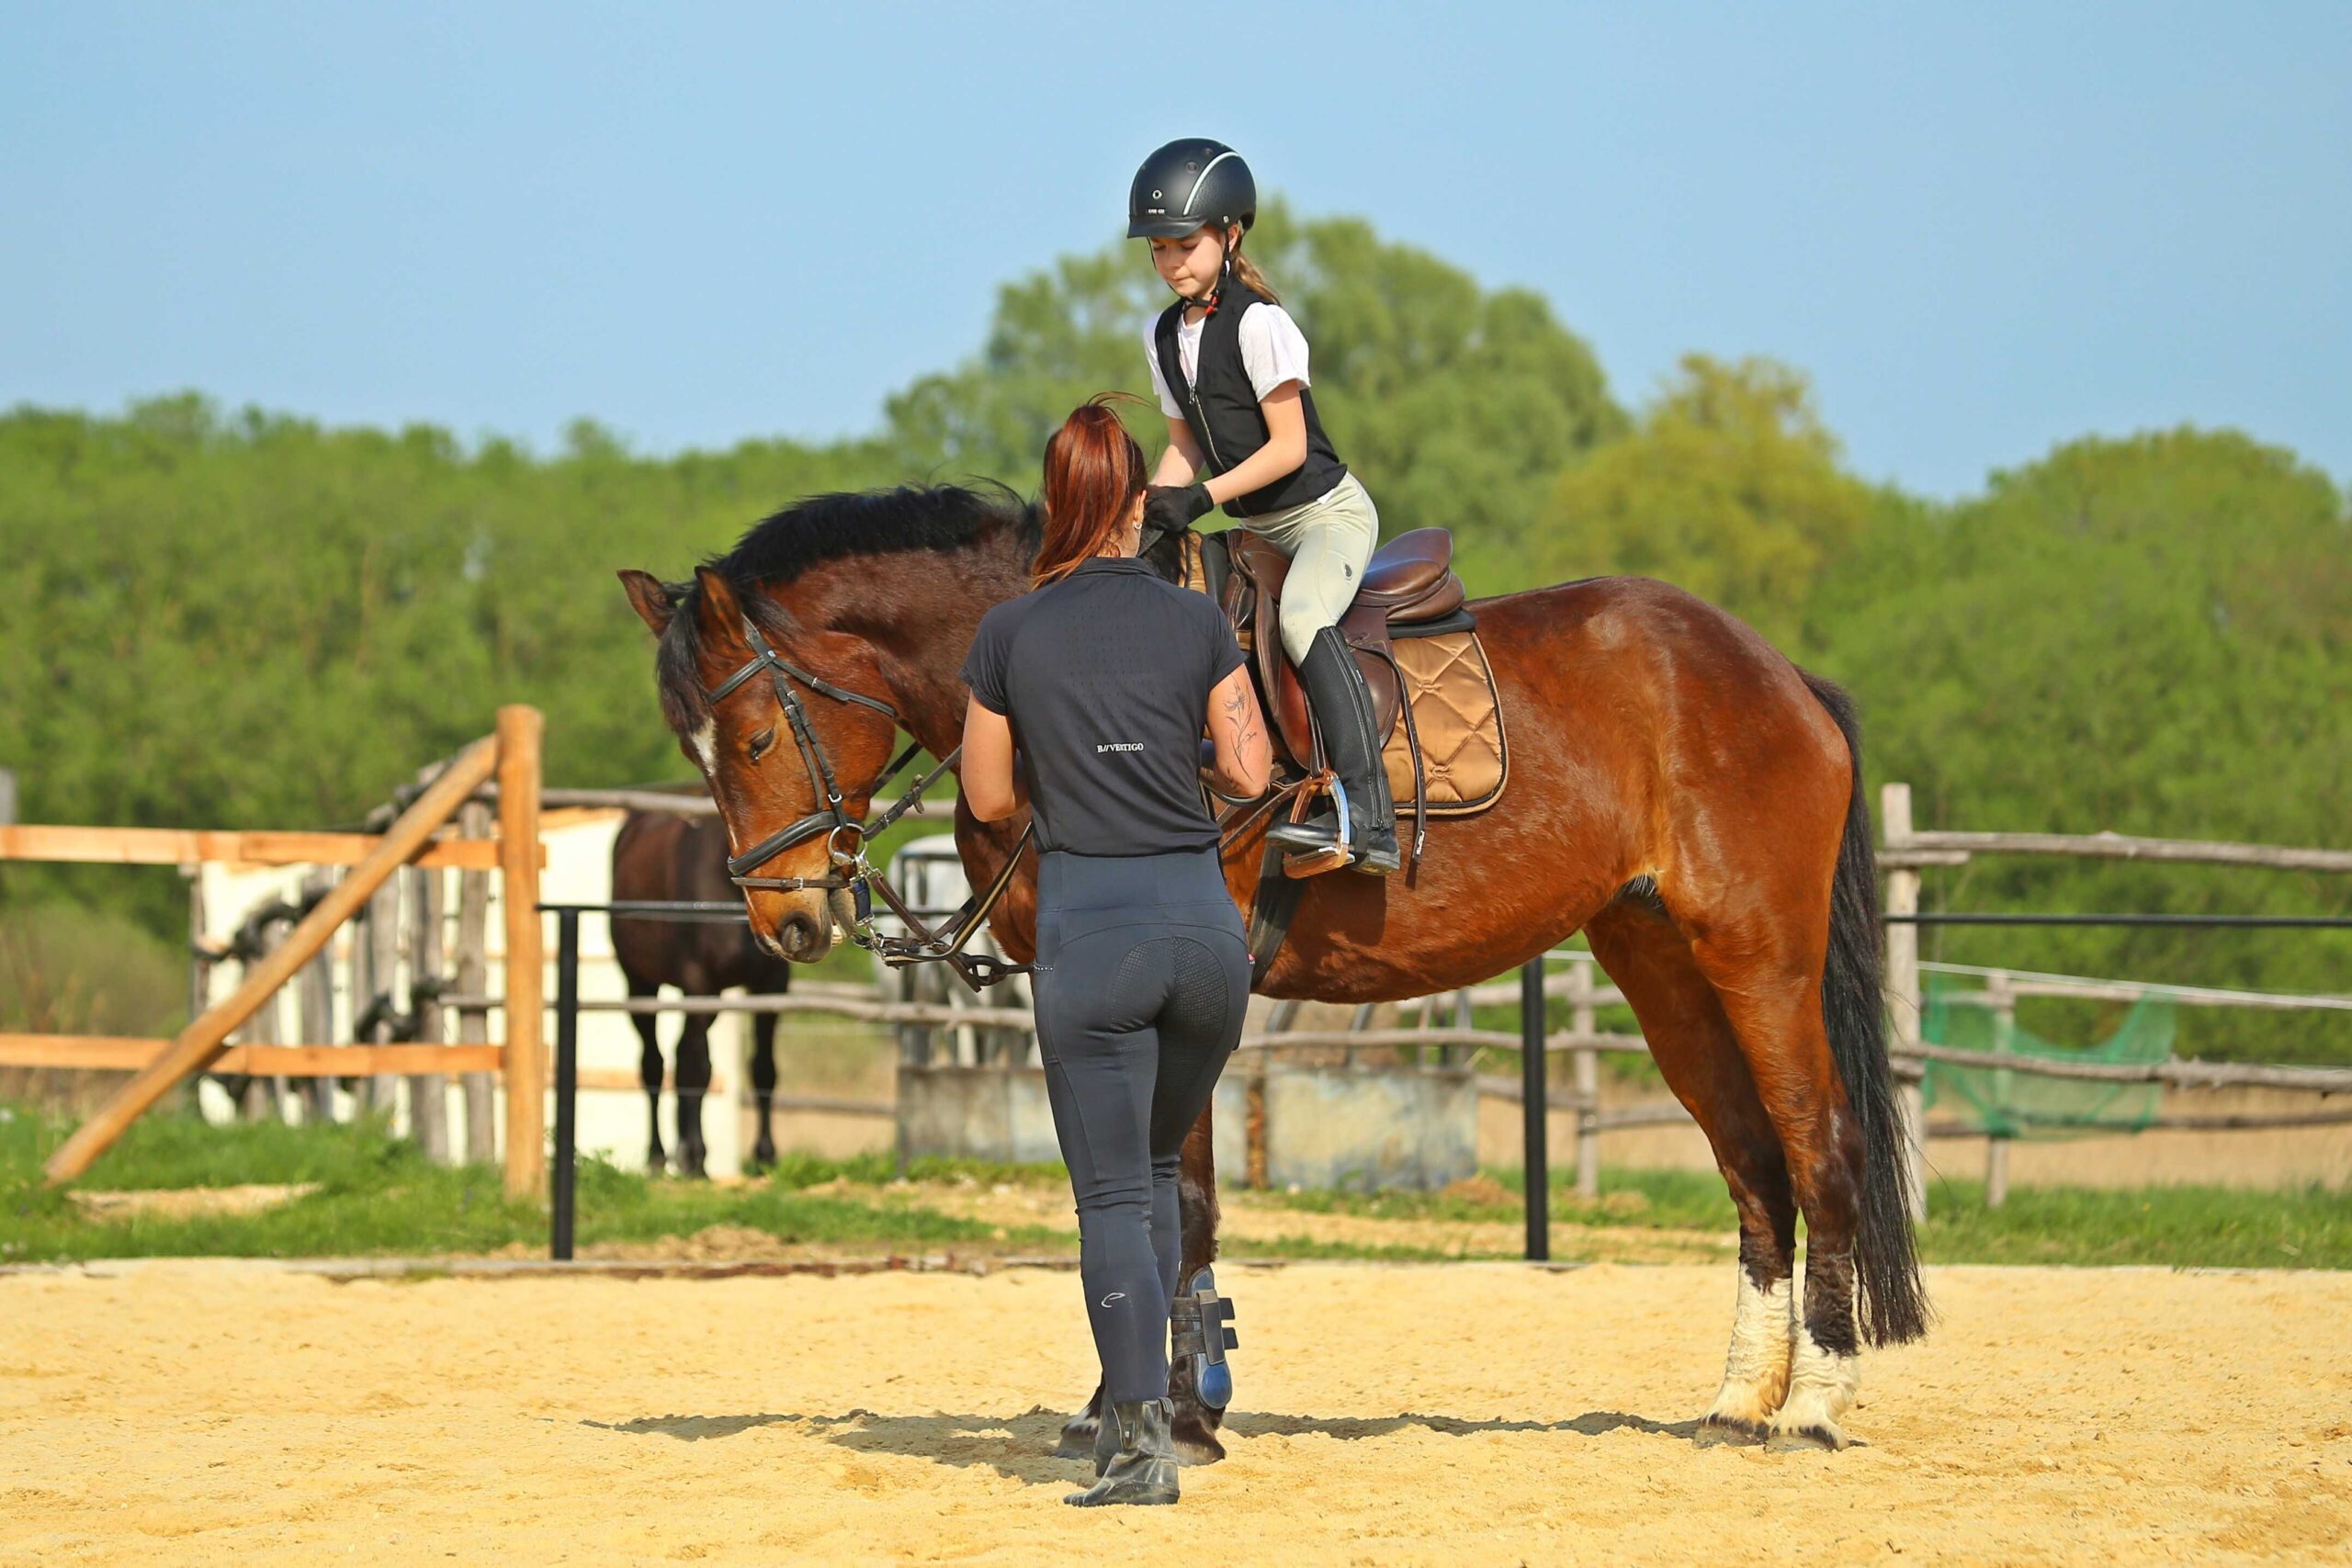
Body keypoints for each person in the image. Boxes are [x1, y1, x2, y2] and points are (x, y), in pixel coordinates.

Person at [959, 398, 1272, 1507]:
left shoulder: (1008, 635)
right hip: (1206, 946)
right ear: (1138, 503)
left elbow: (988, 796)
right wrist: (1168, 743)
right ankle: (1169, 1398)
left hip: (1095, 942)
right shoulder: (1196, 623)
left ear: (1057, 508)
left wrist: (1065, 753)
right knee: (1151, 1168)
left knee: (1109, 1200)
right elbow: (1248, 770)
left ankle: (1140, 1443)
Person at [1129, 136, 1399, 874]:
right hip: (1256, 527)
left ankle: (1368, 815)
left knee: (1304, 618)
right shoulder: (1162, 335)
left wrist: (1202, 498)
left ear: (1230, 233)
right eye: (1158, 249)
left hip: (1324, 516)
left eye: (1186, 243)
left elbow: (1286, 447)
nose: (1172, 261)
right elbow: (1183, 443)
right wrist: (1146, 512)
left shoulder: (1259, 323)